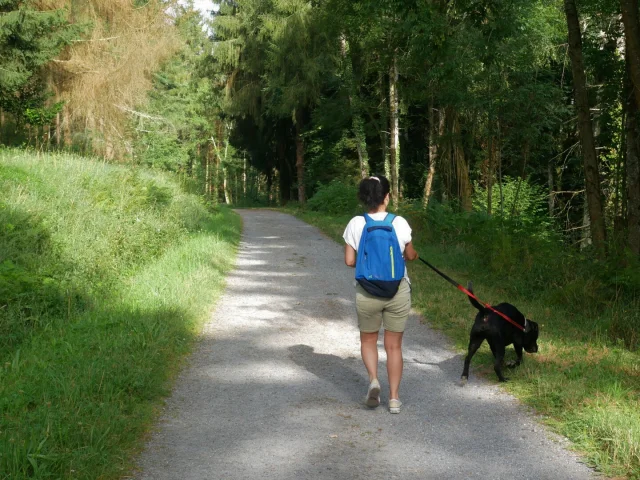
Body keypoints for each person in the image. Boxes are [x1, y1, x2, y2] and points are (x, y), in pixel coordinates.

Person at [343, 175, 418, 414]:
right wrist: (411, 255)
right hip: (397, 290)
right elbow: (410, 254)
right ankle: (394, 398)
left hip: (367, 290)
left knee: (368, 340)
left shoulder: (356, 223)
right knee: (394, 346)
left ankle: (374, 379)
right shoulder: (400, 223)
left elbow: (349, 260)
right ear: (387, 196)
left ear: (364, 198)